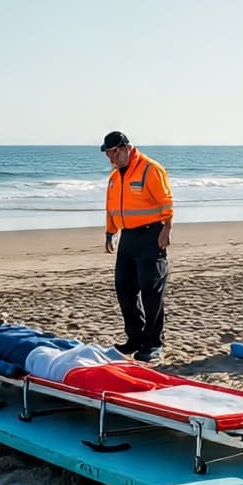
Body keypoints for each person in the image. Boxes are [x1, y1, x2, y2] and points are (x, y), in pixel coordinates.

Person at [101, 131, 173, 363]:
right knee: (124, 289)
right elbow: (111, 206)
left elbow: (166, 201)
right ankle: (134, 338)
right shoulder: (114, 177)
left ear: (124, 148)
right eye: (107, 154)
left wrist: (166, 229)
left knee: (151, 291)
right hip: (128, 238)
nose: (110, 158)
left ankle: (153, 343)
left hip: (151, 235)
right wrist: (110, 232)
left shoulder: (150, 169)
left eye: (112, 153)